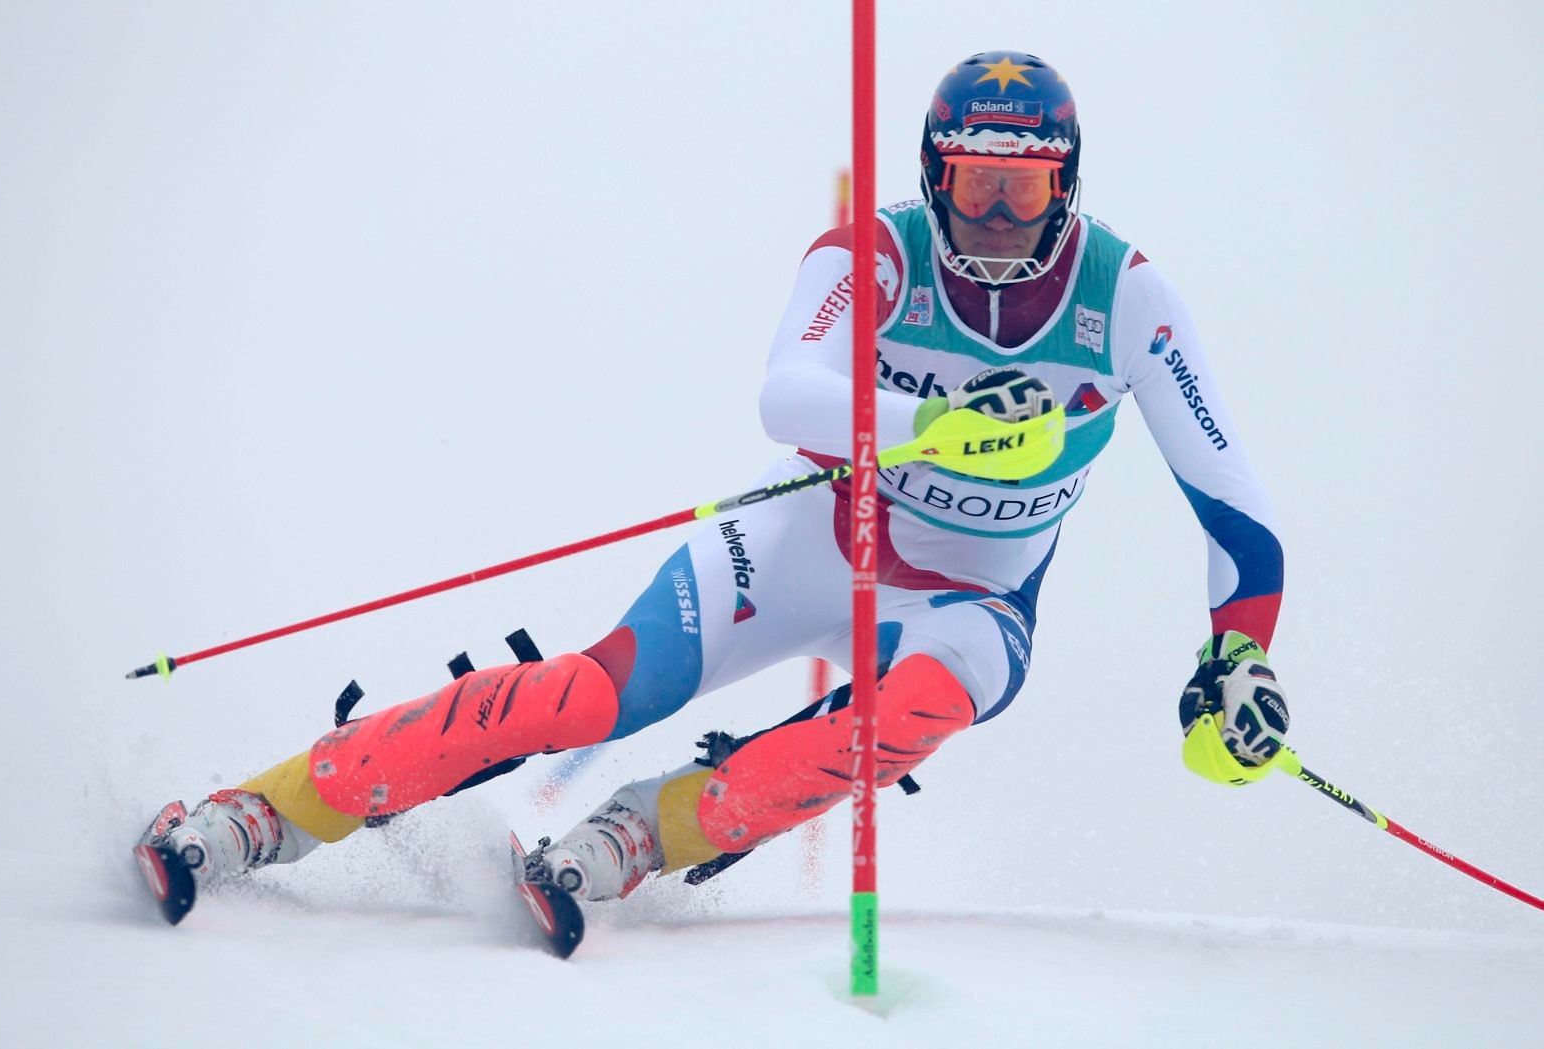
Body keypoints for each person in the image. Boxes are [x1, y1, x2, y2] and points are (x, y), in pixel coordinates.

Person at [141, 51, 1291, 907]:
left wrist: (1238, 653)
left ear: (1068, 186)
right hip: (805, 539)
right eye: (975, 186)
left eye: (1024, 191)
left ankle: (643, 832)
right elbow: (785, 395)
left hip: (967, 600)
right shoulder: (873, 255)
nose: (994, 220)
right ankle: (269, 806)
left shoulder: (1127, 298)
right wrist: (927, 425)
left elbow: (1231, 502)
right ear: (934, 177)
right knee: (594, 693)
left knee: (921, 708)